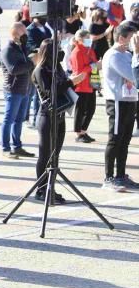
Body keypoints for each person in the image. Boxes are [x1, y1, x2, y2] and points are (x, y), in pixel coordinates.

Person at [32, 39, 87, 204]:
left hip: (60, 115)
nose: (61, 53)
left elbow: (63, 86)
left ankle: (51, 188)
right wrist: (71, 82)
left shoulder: (57, 67)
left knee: (55, 156)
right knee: (45, 155)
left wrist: (71, 83)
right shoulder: (41, 70)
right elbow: (51, 92)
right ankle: (41, 190)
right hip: (47, 117)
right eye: (58, 50)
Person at [101, 23, 139, 192]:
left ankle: (121, 175)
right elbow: (133, 75)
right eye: (132, 38)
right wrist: (137, 54)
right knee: (115, 139)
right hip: (117, 101)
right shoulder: (114, 55)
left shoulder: (128, 55)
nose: (134, 42)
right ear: (122, 38)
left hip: (130, 100)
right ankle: (108, 177)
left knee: (125, 140)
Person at [0, 22, 35, 159]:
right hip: (13, 90)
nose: (26, 35)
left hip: (24, 89)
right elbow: (13, 70)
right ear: (15, 34)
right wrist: (32, 62)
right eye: (23, 33)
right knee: (9, 119)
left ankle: (17, 146)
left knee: (19, 119)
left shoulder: (22, 48)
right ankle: (5, 147)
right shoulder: (8, 50)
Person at [68, 29, 98, 143]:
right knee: (81, 109)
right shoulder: (76, 52)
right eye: (87, 38)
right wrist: (93, 65)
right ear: (80, 39)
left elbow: (94, 64)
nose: (89, 40)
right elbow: (79, 71)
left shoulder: (89, 50)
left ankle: (83, 130)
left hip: (92, 82)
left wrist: (95, 66)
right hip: (81, 84)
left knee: (91, 109)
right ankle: (78, 133)